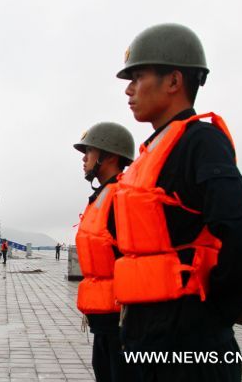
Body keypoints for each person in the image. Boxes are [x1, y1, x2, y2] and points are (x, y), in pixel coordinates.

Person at [114, 23, 242, 381]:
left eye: (138, 76)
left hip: (188, 346)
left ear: (173, 81)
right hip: (146, 336)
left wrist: (217, 310)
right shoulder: (155, 150)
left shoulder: (200, 141)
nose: (129, 90)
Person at [74, 122, 136, 382]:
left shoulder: (122, 197)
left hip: (121, 320)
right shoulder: (104, 196)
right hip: (104, 318)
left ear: (109, 156)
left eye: (89, 152)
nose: (84, 159)